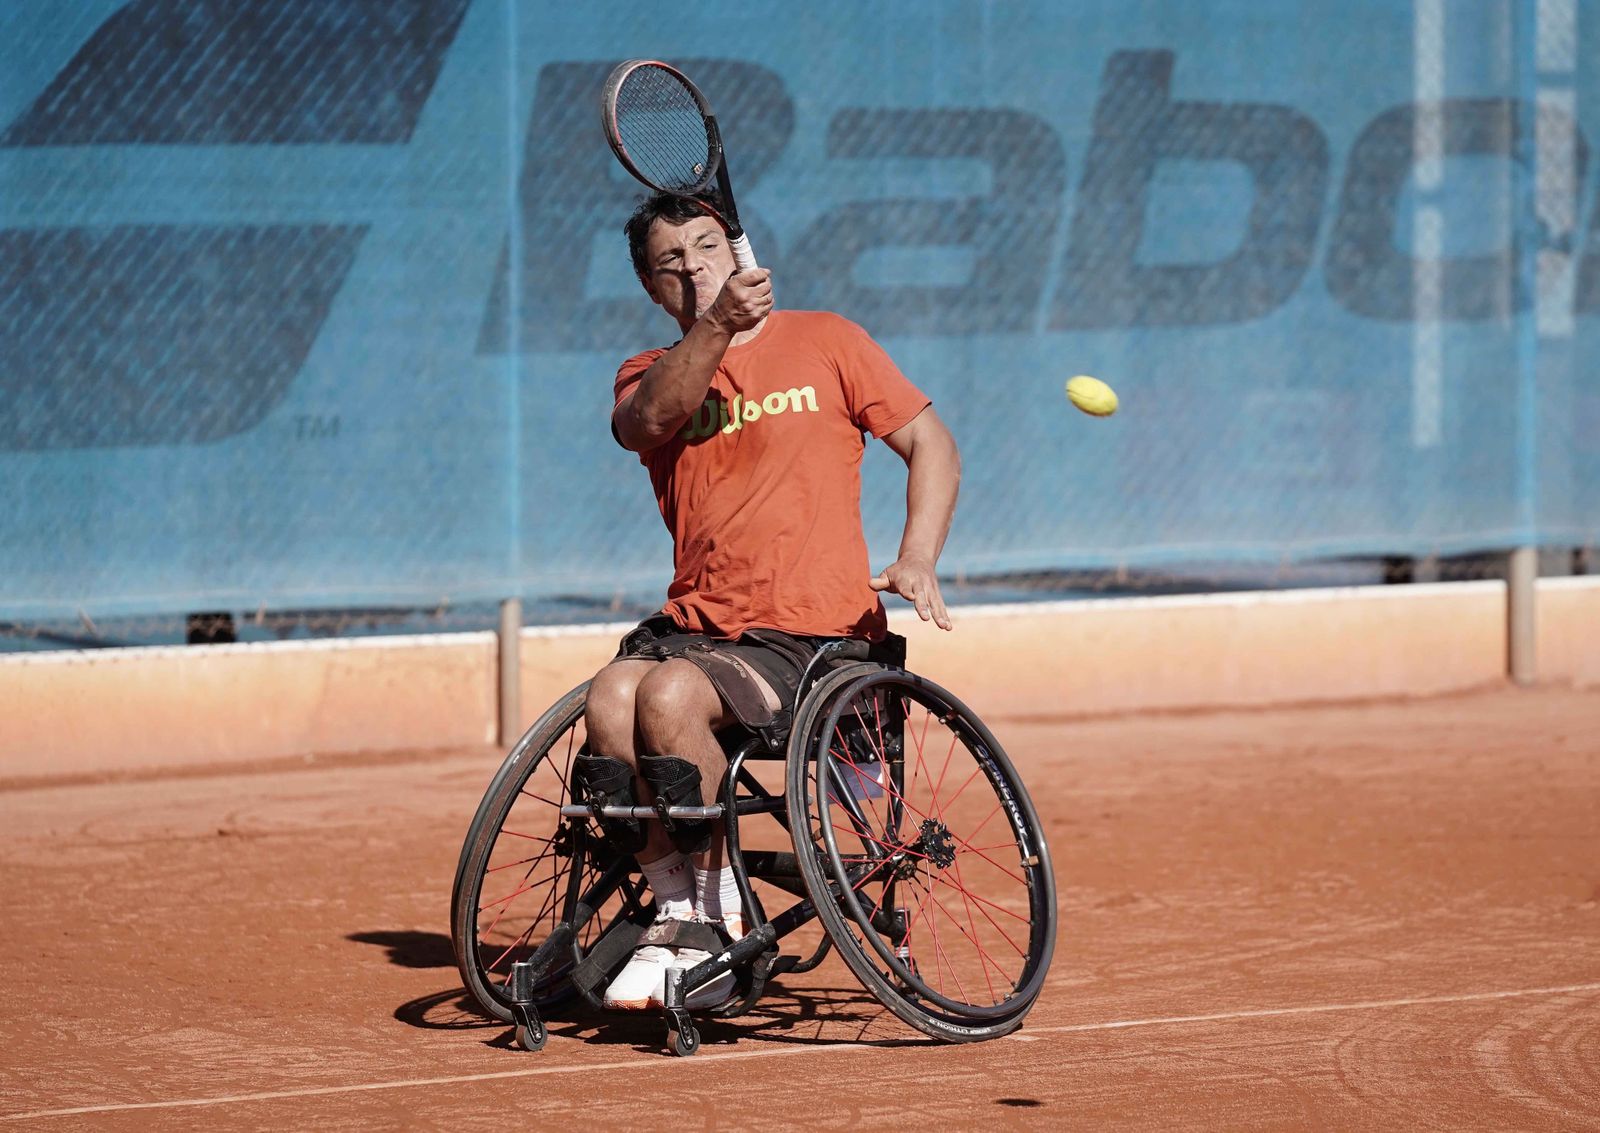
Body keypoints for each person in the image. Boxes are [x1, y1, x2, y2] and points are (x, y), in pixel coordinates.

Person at [575, 191, 960, 1011]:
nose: (695, 267)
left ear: (736, 247)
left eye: (708, 246)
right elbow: (649, 423)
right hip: (698, 625)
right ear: (649, 285)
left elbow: (929, 439)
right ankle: (686, 909)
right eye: (671, 261)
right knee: (610, 699)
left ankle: (708, 920)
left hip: (815, 635)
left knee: (671, 696)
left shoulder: (828, 340)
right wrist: (715, 325)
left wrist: (918, 554)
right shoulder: (647, 371)